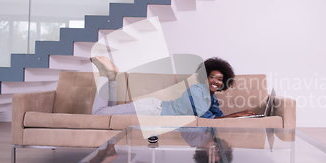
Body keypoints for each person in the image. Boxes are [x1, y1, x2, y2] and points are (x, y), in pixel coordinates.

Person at [90, 55, 255, 118]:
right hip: (151, 110)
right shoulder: (197, 91)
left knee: (106, 117)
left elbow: (218, 117)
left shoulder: (210, 97)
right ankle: (106, 76)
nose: (216, 82)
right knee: (99, 114)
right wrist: (237, 114)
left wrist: (239, 116)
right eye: (212, 77)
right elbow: (207, 119)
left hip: (154, 108)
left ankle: (111, 78)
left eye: (220, 79)